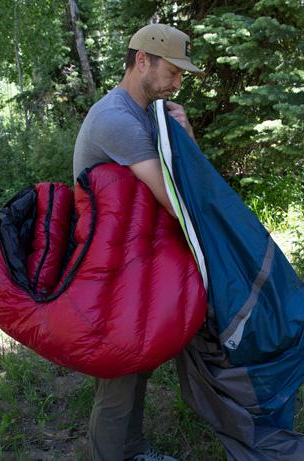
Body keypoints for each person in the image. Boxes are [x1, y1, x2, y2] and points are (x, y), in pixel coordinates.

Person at [71, 23, 202, 461]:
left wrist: (187, 137)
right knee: (119, 370)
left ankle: (133, 449)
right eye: (173, 71)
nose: (178, 82)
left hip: (132, 259)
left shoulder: (147, 112)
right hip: (106, 265)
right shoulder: (116, 119)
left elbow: (182, 181)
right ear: (142, 61)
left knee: (138, 358)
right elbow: (172, 196)